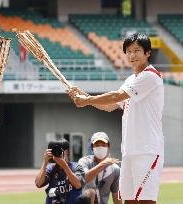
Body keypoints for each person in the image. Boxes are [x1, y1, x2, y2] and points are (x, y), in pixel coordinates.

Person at [68, 33, 164, 204]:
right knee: (129, 200)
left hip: (147, 150)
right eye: (128, 51)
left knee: (146, 201)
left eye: (137, 50)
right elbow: (110, 105)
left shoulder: (151, 76)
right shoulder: (130, 80)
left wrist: (87, 100)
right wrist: (86, 97)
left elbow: (116, 96)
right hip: (129, 151)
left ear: (148, 53)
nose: (132, 55)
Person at [35, 138, 85, 204]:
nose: (56, 153)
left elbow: (78, 185)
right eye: (53, 151)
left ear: (66, 152)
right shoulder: (50, 168)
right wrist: (45, 163)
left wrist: (65, 166)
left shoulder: (76, 167)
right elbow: (38, 183)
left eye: (58, 151)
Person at [78, 132, 121, 204]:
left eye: (103, 145)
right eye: (97, 145)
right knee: (90, 192)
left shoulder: (115, 169)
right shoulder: (84, 161)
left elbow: (116, 195)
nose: (100, 148)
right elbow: (84, 178)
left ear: (108, 146)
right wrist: (102, 164)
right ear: (92, 147)